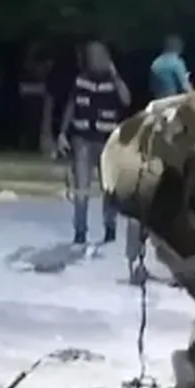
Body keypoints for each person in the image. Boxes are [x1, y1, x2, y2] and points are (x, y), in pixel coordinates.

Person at [55, 40, 131, 245]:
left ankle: (110, 227)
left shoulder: (114, 81)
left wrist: (115, 75)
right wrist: (62, 133)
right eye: (91, 56)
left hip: (107, 140)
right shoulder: (81, 80)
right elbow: (71, 105)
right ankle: (80, 231)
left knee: (109, 186)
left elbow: (126, 100)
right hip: (82, 138)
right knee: (81, 186)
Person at [149, 34, 193, 99]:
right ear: (177, 46)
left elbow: (151, 87)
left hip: (158, 101)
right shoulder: (176, 62)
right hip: (173, 101)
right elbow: (185, 87)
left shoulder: (155, 63)